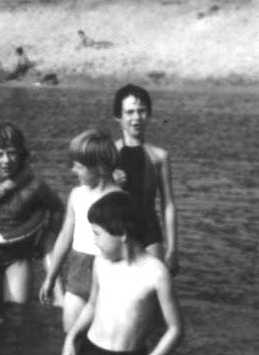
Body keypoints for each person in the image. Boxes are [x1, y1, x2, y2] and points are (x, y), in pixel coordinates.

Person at [62, 192, 183, 355]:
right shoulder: (100, 263)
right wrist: (71, 338)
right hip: (90, 348)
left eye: (97, 234)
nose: (95, 241)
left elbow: (175, 329)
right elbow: (91, 304)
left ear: (123, 233)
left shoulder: (157, 273)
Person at [0, 122, 64, 306]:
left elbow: (57, 207)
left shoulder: (34, 186)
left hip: (18, 257)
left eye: (11, 153)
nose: (6, 160)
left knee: (17, 311)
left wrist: (49, 235)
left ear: (20, 153)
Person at [39, 129, 121, 331]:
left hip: (108, 270)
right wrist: (51, 277)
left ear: (99, 167)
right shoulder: (77, 195)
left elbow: (128, 245)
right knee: (70, 330)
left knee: (103, 335)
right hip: (78, 269)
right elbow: (65, 237)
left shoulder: (119, 199)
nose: (73, 170)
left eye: (79, 166)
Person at [113, 84, 179, 275]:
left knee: (155, 288)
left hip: (150, 233)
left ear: (149, 115)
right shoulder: (110, 153)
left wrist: (172, 249)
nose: (136, 118)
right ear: (118, 117)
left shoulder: (159, 156)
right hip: (116, 234)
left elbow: (168, 204)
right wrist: (110, 180)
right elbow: (92, 194)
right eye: (129, 112)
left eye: (141, 111)